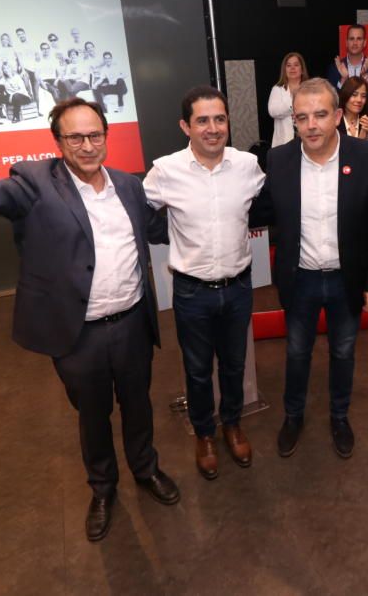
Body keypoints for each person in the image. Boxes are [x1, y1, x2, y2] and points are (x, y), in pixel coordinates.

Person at [0, 59, 180, 543]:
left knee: (138, 405)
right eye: (75, 137)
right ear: (58, 142)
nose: (87, 145)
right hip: (79, 335)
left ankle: (145, 468)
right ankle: (103, 489)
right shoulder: (33, 184)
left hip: (133, 324)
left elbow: (162, 231)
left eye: (95, 134)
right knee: (93, 415)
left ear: (106, 135)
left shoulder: (128, 185)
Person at [255, 78, 368, 459]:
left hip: (346, 280)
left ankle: (339, 417)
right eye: (302, 117)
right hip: (300, 280)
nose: (311, 125)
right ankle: (293, 417)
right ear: (294, 122)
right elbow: (261, 211)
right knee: (297, 352)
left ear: (336, 115)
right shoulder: (279, 160)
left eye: (319, 115)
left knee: (343, 353)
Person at [143, 86, 266, 480]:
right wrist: (171, 237)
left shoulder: (247, 165)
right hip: (191, 292)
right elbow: (138, 211)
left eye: (220, 119)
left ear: (228, 122)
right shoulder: (166, 170)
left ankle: (231, 424)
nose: (212, 128)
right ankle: (204, 433)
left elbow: (265, 205)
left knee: (234, 365)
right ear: (186, 126)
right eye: (202, 121)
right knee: (197, 370)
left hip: (238, 287)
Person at [267, 52, 307, 147]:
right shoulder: (277, 89)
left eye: (296, 65)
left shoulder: (310, 88)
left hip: (307, 138)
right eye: (288, 65)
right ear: (284, 70)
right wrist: (293, 103)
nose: (292, 68)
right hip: (284, 141)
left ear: (302, 70)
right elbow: (273, 111)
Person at [326, 24, 368, 95]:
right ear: (346, 43)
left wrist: (364, 77)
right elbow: (333, 99)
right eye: (351, 39)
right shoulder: (334, 68)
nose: (355, 43)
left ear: (364, 43)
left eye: (359, 39)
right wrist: (343, 80)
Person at [338, 76, 368, 143]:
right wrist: (361, 138)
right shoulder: (335, 122)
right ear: (345, 95)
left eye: (363, 96)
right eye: (354, 95)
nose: (359, 100)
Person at [14, 27, 39, 100]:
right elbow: (19, 59)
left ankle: (37, 108)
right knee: (26, 85)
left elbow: (37, 56)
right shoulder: (17, 46)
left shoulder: (32, 43)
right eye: (19, 35)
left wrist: (38, 68)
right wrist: (23, 70)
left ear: (24, 34)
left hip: (35, 69)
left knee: (36, 91)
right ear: (17, 36)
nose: (21, 36)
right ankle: (30, 98)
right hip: (26, 69)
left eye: (22, 34)